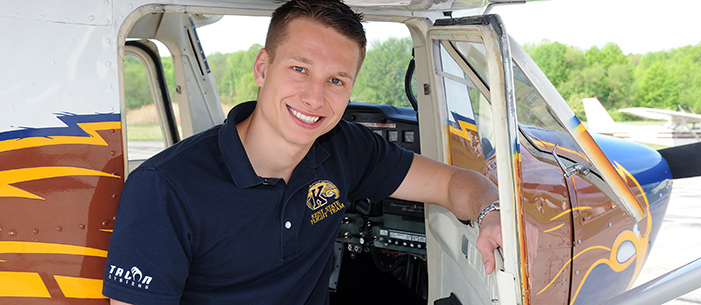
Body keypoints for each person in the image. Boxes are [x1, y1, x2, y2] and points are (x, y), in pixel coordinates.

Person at [103, 0, 502, 304]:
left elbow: (453, 183)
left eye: (336, 80)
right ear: (263, 69)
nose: (314, 98)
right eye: (299, 69)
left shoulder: (345, 147)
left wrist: (490, 212)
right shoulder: (163, 189)